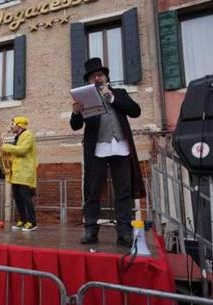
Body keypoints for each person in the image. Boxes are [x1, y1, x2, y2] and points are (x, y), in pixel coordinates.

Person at [70, 57, 146, 247]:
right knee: (93, 191)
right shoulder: (84, 98)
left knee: (123, 191)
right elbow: (75, 126)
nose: (97, 78)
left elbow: (135, 111)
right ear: (88, 81)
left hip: (120, 146)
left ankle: (124, 233)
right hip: (97, 148)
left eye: (100, 75)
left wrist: (111, 98)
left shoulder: (118, 93)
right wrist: (76, 112)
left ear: (105, 77)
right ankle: (90, 230)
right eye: (93, 76)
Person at [1, 116, 38, 232]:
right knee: (17, 197)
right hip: (16, 172)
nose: (11, 126)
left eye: (13, 124)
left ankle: (32, 222)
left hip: (25, 171)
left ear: (20, 125)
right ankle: (22, 220)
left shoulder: (28, 135)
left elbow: (22, 150)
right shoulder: (17, 136)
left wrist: (6, 147)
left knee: (25, 197)